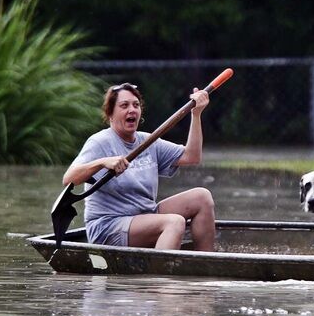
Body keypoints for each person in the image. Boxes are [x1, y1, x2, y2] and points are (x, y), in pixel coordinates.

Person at [62, 83, 217, 251]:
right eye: (124, 105)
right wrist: (102, 162)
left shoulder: (147, 141)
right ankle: (159, 275)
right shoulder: (99, 142)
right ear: (110, 114)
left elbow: (192, 156)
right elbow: (69, 179)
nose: (132, 110)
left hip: (145, 216)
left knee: (202, 197)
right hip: (109, 227)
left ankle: (206, 262)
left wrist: (196, 114)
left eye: (136, 105)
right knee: (174, 222)